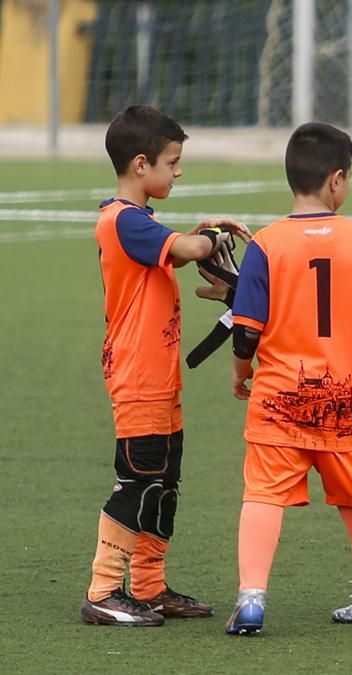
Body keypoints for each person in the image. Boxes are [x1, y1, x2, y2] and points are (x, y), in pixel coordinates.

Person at [224, 122, 352, 634]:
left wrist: (243, 372)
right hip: (348, 397)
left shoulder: (266, 244)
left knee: (262, 495)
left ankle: (252, 599)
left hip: (280, 397)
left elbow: (245, 335)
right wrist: (350, 343)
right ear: (336, 181)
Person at [83, 105, 250, 626]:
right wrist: (214, 234)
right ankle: (104, 591)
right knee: (137, 482)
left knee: (162, 483)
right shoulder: (124, 221)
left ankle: (149, 588)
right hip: (138, 377)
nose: (178, 171)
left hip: (159, 377)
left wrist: (200, 239)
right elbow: (186, 248)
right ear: (140, 165)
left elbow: (177, 247)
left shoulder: (142, 222)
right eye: (172, 162)